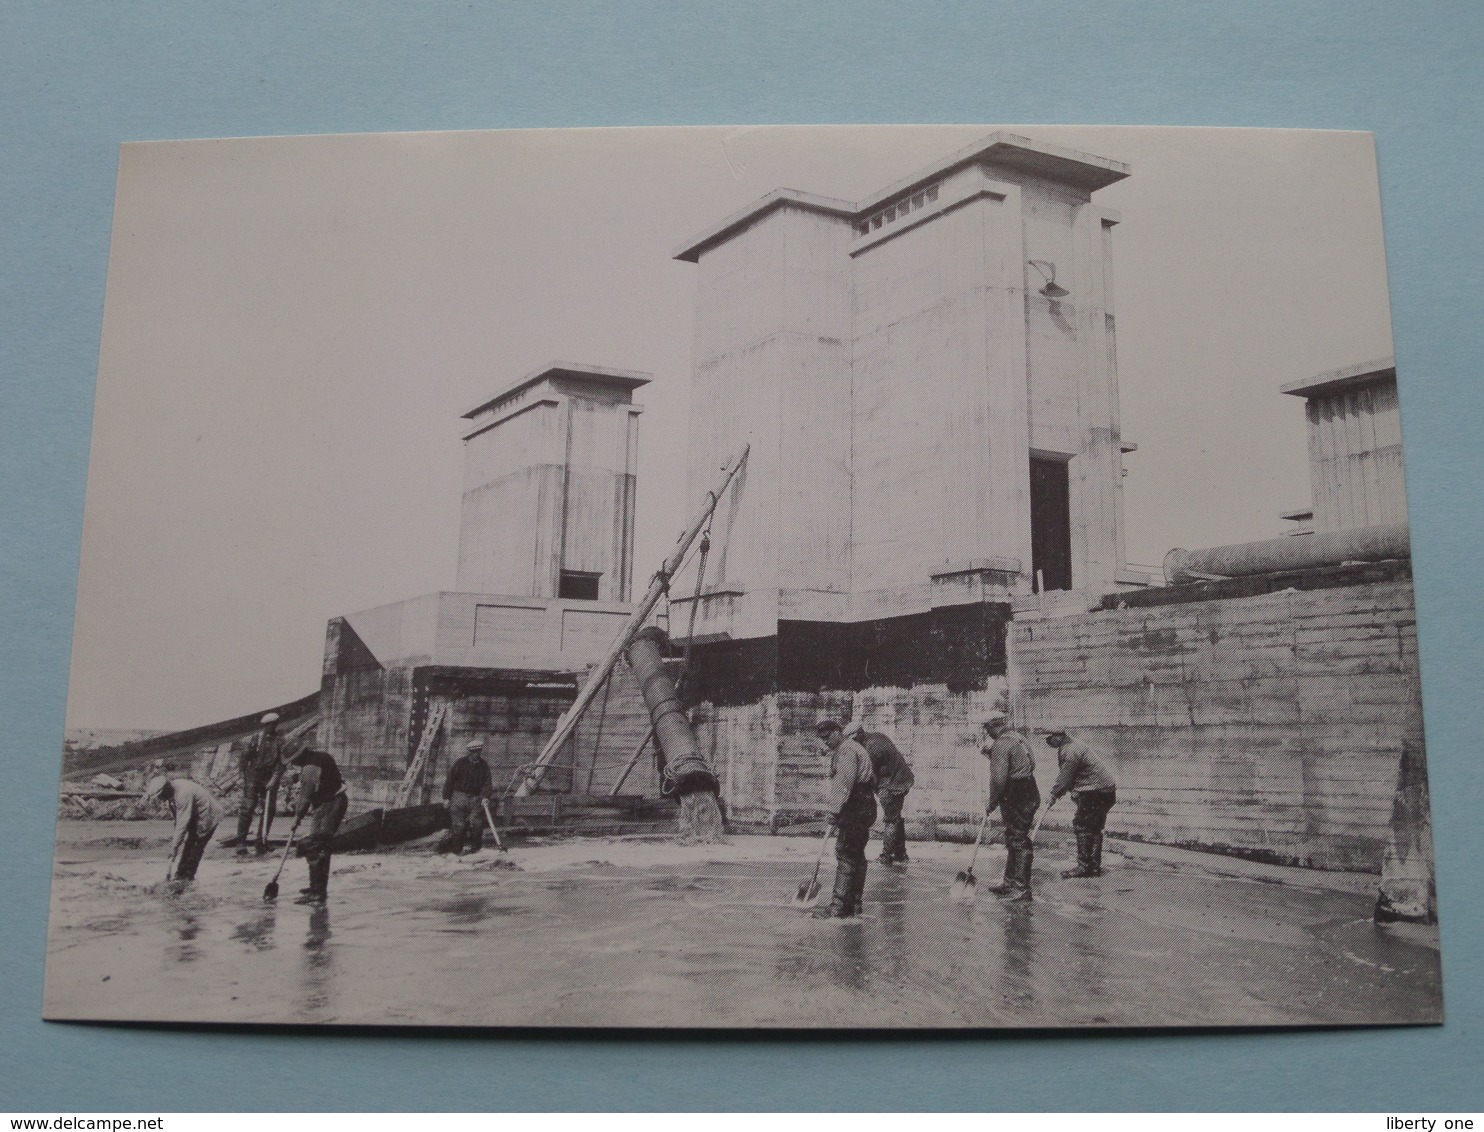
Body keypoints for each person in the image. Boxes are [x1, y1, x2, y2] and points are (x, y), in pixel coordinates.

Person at [812, 719, 878, 919]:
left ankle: (838, 908)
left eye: (827, 737)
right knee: (857, 856)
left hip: (855, 808)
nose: (826, 743)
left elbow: (843, 785)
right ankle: (854, 904)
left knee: (846, 853)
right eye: (822, 739)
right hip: (864, 806)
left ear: (837, 732)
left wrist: (833, 811)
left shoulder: (846, 751)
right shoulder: (853, 748)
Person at [980, 711, 1040, 902]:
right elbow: (1032, 763)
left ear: (992, 726)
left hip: (1016, 794)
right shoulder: (1017, 737)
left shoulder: (1001, 744)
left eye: (986, 728)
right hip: (1030, 789)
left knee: (1018, 839)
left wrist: (991, 802)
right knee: (1014, 836)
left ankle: (1021, 888)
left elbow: (998, 779)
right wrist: (993, 755)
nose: (986, 732)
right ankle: (1009, 882)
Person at [1045, 729, 1118, 878]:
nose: (1047, 742)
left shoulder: (1071, 751)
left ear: (1058, 736)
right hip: (1105, 791)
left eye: (1049, 738)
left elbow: (1065, 778)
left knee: (1082, 826)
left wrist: (1054, 794)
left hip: (1094, 792)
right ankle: (1093, 867)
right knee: (1094, 828)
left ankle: (1084, 866)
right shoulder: (1072, 745)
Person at [846, 721, 915, 866]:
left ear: (859, 733)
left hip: (892, 785)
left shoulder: (870, 748)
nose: (851, 743)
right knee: (895, 817)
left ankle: (885, 857)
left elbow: (869, 776)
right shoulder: (876, 736)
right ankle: (900, 854)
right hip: (900, 779)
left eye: (852, 739)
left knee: (891, 820)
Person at [287, 747, 348, 906]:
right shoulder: (323, 755)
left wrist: (297, 817)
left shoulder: (309, 769)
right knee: (318, 847)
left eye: (292, 761)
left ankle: (317, 893)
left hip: (331, 804)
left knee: (316, 847)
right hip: (329, 802)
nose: (292, 764)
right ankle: (316, 887)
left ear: (298, 757)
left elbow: (305, 797)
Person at [145, 776, 220, 884]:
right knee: (189, 844)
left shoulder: (182, 794)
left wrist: (174, 847)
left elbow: (182, 823)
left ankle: (187, 878)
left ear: (166, 789)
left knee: (196, 847)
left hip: (208, 816)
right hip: (196, 816)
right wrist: (175, 844)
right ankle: (180, 875)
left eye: (160, 796)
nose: (161, 799)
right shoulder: (173, 790)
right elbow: (178, 821)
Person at [235, 712, 283, 855]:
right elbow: (244, 759)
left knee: (269, 809)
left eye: (274, 724)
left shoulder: (280, 741)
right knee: (247, 808)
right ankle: (240, 843)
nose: (272, 727)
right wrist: (243, 777)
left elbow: (281, 763)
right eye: (269, 725)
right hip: (253, 775)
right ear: (265, 725)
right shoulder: (255, 739)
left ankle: (261, 842)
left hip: (270, 776)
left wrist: (274, 779)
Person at [438, 738, 495, 854]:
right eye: (474, 752)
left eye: (478, 752)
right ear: (469, 752)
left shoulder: (484, 766)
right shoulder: (460, 763)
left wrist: (485, 797)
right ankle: (456, 851)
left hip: (475, 798)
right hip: (459, 797)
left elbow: (487, 783)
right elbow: (450, 781)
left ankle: (475, 850)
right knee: (458, 825)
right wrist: (446, 798)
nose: (476, 755)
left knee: (476, 823)